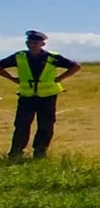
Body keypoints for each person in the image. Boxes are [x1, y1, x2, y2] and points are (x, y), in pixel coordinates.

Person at [0, 30, 82, 159]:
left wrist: (59, 78)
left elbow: (75, 66)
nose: (33, 45)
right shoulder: (19, 56)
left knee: (46, 125)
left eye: (36, 42)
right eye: (31, 42)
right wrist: (12, 78)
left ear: (42, 44)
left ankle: (40, 151)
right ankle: (16, 152)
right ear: (27, 43)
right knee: (21, 124)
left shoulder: (52, 57)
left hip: (47, 96)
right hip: (27, 96)